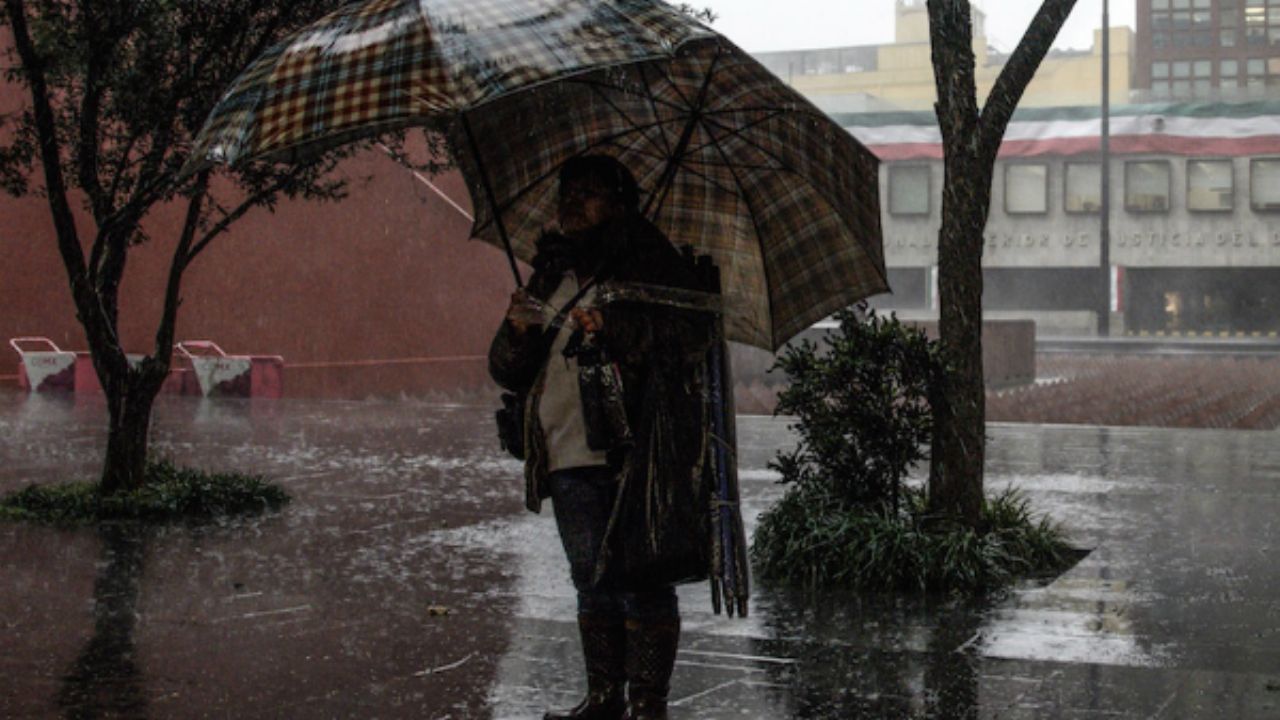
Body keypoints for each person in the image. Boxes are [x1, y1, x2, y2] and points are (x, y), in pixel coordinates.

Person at [489, 155, 712, 720]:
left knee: (641, 579)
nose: (572, 202)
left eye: (588, 193)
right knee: (590, 579)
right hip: (564, 450)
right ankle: (605, 698)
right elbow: (508, 370)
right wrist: (518, 331)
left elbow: (688, 336)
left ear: (619, 203)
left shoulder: (649, 264)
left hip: (633, 453)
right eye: (567, 192)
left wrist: (616, 326)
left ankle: (646, 705)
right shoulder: (551, 271)